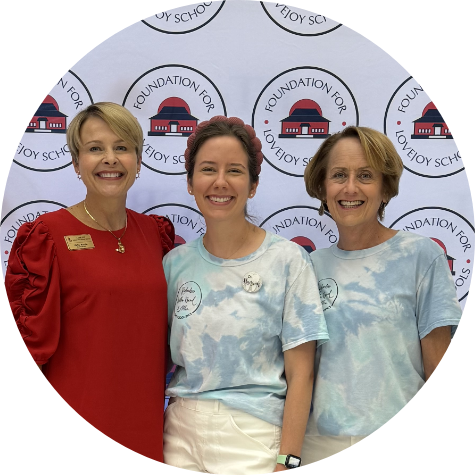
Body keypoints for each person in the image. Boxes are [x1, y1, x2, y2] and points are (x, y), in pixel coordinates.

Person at [5, 102, 174, 462]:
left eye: (122, 147)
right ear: (75, 162)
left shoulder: (156, 235)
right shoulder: (45, 237)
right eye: (95, 148)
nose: (109, 159)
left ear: (138, 161)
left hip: (144, 425)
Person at [162, 116, 329, 474]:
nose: (220, 182)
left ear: (253, 185)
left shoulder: (287, 260)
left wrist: (288, 458)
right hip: (178, 433)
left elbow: (302, 374)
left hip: (253, 436)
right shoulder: (174, 264)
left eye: (235, 171)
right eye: (208, 169)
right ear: (190, 182)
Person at [302, 126, 463, 463]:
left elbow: (437, 361)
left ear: (386, 188)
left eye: (365, 175)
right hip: (318, 446)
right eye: (339, 175)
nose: (350, 188)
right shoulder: (306, 267)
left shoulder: (421, 257)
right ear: (322, 186)